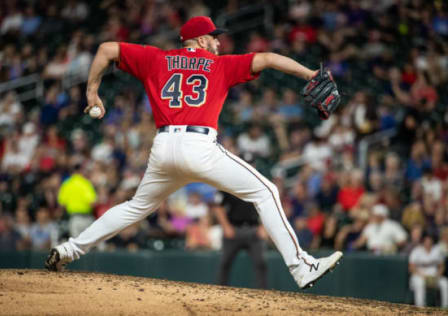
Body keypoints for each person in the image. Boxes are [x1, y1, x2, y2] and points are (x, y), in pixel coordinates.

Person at [46, 16, 342, 289]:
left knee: (135, 207)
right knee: (265, 192)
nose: (218, 42)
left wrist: (92, 92)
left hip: (163, 148)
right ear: (201, 41)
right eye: (214, 37)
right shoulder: (219, 64)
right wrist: (310, 73)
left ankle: (68, 250)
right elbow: (267, 58)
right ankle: (301, 267)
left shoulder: (157, 59)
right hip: (199, 146)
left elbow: (106, 49)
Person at [213, 152, 268, 289]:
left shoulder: (261, 182)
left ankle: (263, 296)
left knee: (261, 263)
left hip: (254, 230)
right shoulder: (228, 182)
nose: (249, 167)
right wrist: (226, 227)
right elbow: (218, 206)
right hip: (233, 229)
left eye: (251, 164)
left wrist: (264, 227)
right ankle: (219, 294)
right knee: (224, 264)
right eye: (246, 164)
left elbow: (269, 207)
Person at [409, 233, 448, 307]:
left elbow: (442, 266)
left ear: (432, 242)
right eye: (426, 241)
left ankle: (445, 307)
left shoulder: (437, 251)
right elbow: (411, 267)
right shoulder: (417, 251)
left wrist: (438, 275)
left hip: (434, 277)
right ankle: (420, 307)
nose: (428, 243)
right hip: (419, 276)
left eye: (429, 241)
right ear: (423, 242)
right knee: (419, 283)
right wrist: (421, 275)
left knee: (445, 283)